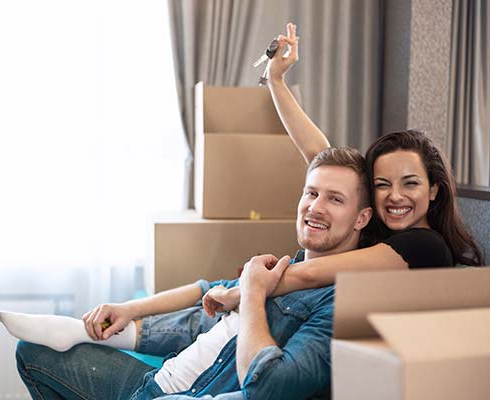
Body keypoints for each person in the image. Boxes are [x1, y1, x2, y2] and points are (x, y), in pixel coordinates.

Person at [4, 147, 373, 399]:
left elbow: (271, 387)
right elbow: (206, 293)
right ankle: (95, 332)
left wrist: (254, 295)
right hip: (158, 379)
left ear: (362, 218)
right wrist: (130, 310)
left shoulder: (340, 305)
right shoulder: (284, 267)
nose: (315, 207)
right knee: (32, 351)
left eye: (335, 199)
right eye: (311, 193)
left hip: (184, 394)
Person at [199, 23, 482, 314]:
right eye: (383, 184)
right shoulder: (379, 229)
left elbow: (310, 273)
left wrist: (243, 292)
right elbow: (318, 154)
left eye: (410, 184)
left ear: (434, 189)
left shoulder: (426, 244)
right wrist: (276, 80)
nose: (395, 196)